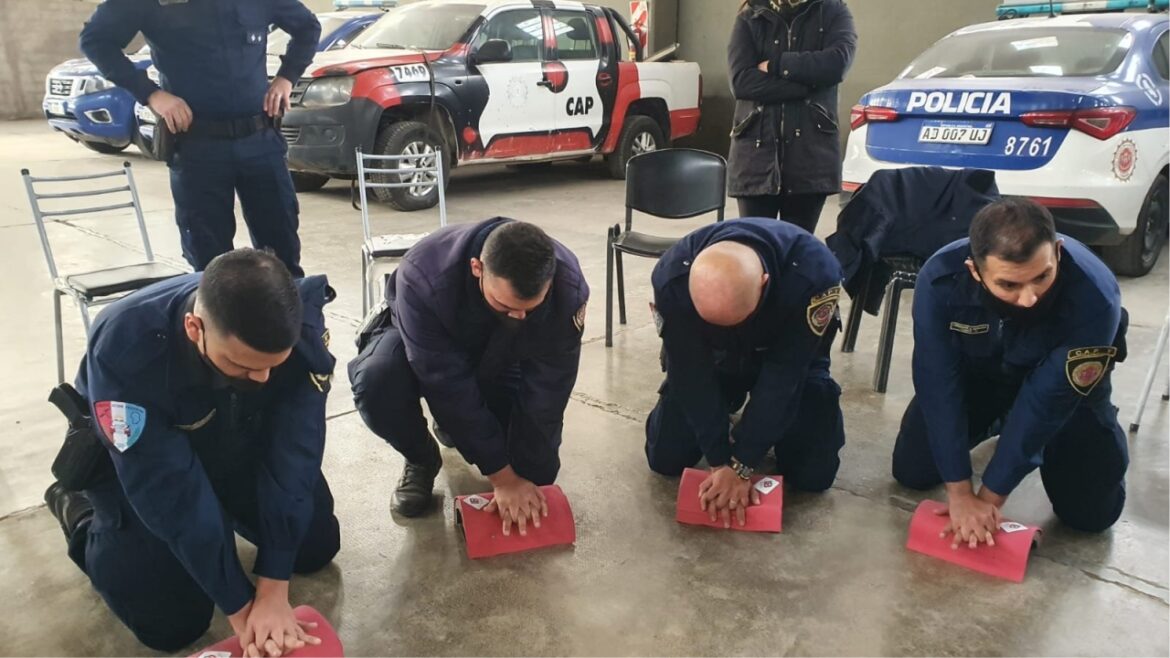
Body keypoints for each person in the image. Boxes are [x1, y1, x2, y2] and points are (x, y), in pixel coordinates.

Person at [43, 250, 339, 654]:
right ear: (194, 327)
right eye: (242, 365)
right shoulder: (127, 347)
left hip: (233, 435)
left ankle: (223, 507)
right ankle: (79, 512)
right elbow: (167, 489)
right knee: (173, 624)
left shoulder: (297, 321)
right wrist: (242, 610)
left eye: (273, 366)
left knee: (314, 544)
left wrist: (273, 585)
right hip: (138, 462)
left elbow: (296, 447)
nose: (262, 377)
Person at [892, 198, 1130, 544]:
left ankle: (1076, 430)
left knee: (1090, 517)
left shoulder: (1096, 296)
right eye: (1009, 285)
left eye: (1042, 277)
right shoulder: (941, 278)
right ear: (975, 270)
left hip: (1066, 396)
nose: (1029, 298)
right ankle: (1003, 421)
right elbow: (937, 379)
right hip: (984, 376)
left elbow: (1047, 403)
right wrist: (959, 494)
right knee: (912, 471)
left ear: (1057, 252)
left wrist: (988, 501)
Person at [349, 218, 589, 533]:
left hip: (504, 351)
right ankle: (421, 458)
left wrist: (525, 477)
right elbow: (445, 382)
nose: (519, 316)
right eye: (506, 305)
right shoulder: (423, 275)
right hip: (425, 343)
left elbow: (549, 388)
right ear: (477, 268)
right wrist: (502, 478)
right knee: (377, 382)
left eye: (530, 308)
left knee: (537, 473)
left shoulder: (567, 286)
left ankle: (454, 428)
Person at [79, 0, 321, 276]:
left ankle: (292, 319)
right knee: (210, 266)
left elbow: (307, 27)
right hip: (198, 147)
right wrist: (151, 94)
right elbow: (96, 41)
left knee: (283, 258)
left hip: (260, 141)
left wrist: (287, 78)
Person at [645, 218, 846, 528]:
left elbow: (785, 375)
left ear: (764, 282)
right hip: (716, 359)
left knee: (813, 477)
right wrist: (717, 459)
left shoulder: (813, 273)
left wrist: (742, 464)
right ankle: (726, 410)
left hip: (789, 360)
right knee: (665, 458)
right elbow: (689, 370)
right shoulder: (672, 277)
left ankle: (758, 425)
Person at [727, 0, 857, 233]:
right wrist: (806, 87)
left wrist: (777, 65)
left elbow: (837, 64)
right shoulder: (750, 15)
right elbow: (742, 82)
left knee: (797, 252)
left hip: (810, 157)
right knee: (755, 250)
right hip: (755, 157)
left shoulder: (832, 10)